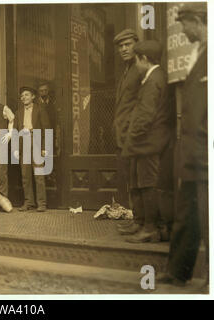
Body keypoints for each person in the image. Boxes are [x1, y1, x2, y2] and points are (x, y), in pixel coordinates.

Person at [158, 3, 208, 288]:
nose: (183, 30)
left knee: (207, 218)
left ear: (198, 21)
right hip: (191, 153)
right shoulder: (197, 54)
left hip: (205, 153)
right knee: (186, 213)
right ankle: (178, 271)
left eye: (184, 24)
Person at [121, 40, 172, 243]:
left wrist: (132, 138)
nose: (136, 66)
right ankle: (144, 223)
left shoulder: (153, 80)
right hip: (148, 142)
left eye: (137, 61)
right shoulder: (155, 77)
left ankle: (150, 228)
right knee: (141, 181)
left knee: (147, 183)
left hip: (148, 143)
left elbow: (145, 115)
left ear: (144, 59)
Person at [112, 29, 144, 236]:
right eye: (120, 46)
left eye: (128, 45)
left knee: (139, 179)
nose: (124, 49)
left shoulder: (140, 69)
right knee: (131, 178)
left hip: (133, 135)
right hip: (123, 135)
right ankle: (137, 220)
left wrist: (132, 130)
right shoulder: (126, 70)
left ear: (136, 45)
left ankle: (142, 222)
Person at [15, 86, 51, 212]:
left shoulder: (40, 110)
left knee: (39, 175)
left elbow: (46, 129)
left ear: (33, 97)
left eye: (27, 95)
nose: (24, 97)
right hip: (23, 143)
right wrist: (16, 149)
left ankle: (42, 203)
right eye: (22, 96)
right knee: (25, 176)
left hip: (36, 142)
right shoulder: (18, 112)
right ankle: (28, 202)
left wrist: (45, 147)